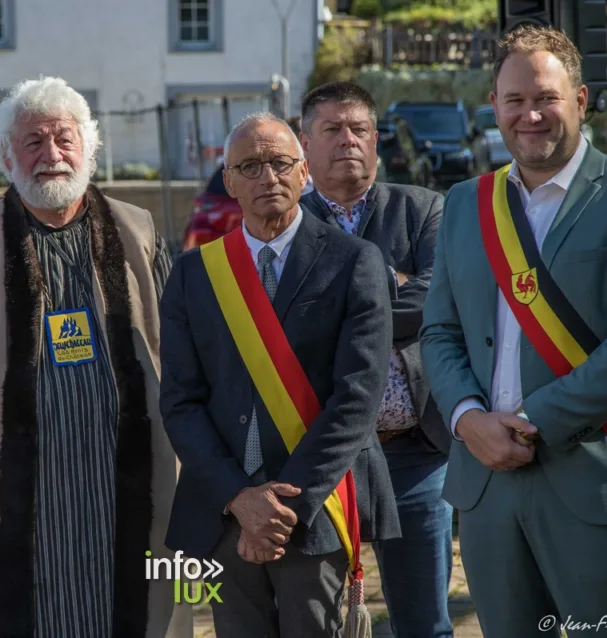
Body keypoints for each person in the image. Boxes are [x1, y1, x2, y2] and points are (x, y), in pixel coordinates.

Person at [419, 25, 607, 636]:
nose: (531, 114)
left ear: (581, 100)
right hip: (488, 485)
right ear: (495, 107)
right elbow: (440, 332)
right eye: (514, 101)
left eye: (546, 97)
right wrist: (468, 419)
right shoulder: (466, 202)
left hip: (595, 474)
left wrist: (532, 420)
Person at [0, 76, 191, 638]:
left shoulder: (138, 234)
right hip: (19, 493)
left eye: (64, 139)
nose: (51, 156)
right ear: (5, 156)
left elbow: (176, 352)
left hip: (130, 480)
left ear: (89, 148)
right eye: (33, 142)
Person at [159, 112, 400, 637]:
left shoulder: (355, 261)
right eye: (249, 165)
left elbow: (357, 399)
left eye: (280, 163)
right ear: (229, 182)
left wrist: (279, 507)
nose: (267, 177)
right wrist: (241, 500)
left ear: (304, 171)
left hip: (313, 513)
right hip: (225, 513)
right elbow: (180, 401)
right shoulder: (194, 275)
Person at [298, 81, 453, 638]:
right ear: (304, 143)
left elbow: (438, 300)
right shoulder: (286, 222)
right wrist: (393, 284)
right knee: (317, 622)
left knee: (425, 624)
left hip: (415, 452)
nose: (349, 141)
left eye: (360, 128)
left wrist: (338, 306)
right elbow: (283, 321)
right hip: (318, 456)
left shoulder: (424, 209)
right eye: (332, 129)